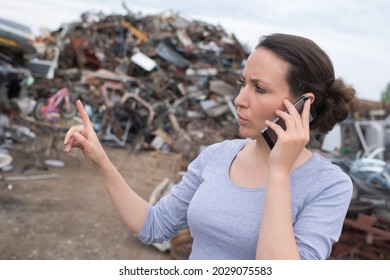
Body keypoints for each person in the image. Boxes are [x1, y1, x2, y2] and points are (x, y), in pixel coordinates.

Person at [64, 33, 355, 260]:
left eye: (259, 88)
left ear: (303, 105)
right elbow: (154, 226)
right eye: (243, 83)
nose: (239, 99)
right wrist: (102, 161)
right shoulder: (218, 155)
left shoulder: (329, 186)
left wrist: (278, 170)